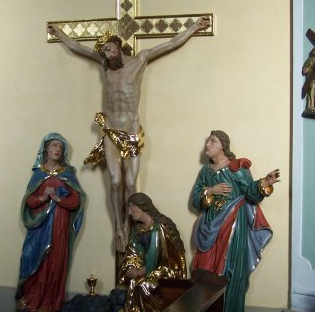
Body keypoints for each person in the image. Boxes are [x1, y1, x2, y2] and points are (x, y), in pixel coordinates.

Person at [48, 16, 211, 252]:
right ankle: (119, 228)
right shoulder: (105, 66)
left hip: (132, 134)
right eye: (103, 52)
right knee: (115, 182)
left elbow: (170, 43)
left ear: (117, 45)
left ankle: (128, 224)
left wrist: (194, 27)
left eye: (109, 49)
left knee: (131, 184)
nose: (106, 55)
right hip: (111, 133)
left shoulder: (140, 60)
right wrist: (60, 34)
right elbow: (78, 47)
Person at [191, 130, 280, 312]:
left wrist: (265, 183)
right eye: (207, 141)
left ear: (222, 145)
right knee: (206, 272)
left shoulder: (236, 168)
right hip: (210, 226)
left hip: (233, 227)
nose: (207, 145)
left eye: (212, 141)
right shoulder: (206, 172)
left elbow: (251, 192)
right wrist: (210, 191)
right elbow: (196, 199)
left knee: (230, 272)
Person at [16, 132, 86, 312]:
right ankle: (30, 297)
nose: (58, 149)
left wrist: (57, 198)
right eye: (54, 145)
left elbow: (76, 201)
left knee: (55, 261)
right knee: (31, 257)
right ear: (45, 148)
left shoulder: (67, 174)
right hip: (39, 226)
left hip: (60, 226)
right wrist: (43, 197)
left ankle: (49, 302)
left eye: (61, 147)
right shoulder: (38, 173)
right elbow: (30, 201)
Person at [114, 192, 187, 312]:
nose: (129, 213)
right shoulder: (138, 229)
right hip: (147, 270)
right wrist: (131, 266)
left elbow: (162, 259)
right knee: (134, 282)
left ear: (142, 207)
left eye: (131, 207)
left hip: (166, 270)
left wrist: (140, 271)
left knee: (144, 285)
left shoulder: (160, 228)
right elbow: (134, 252)